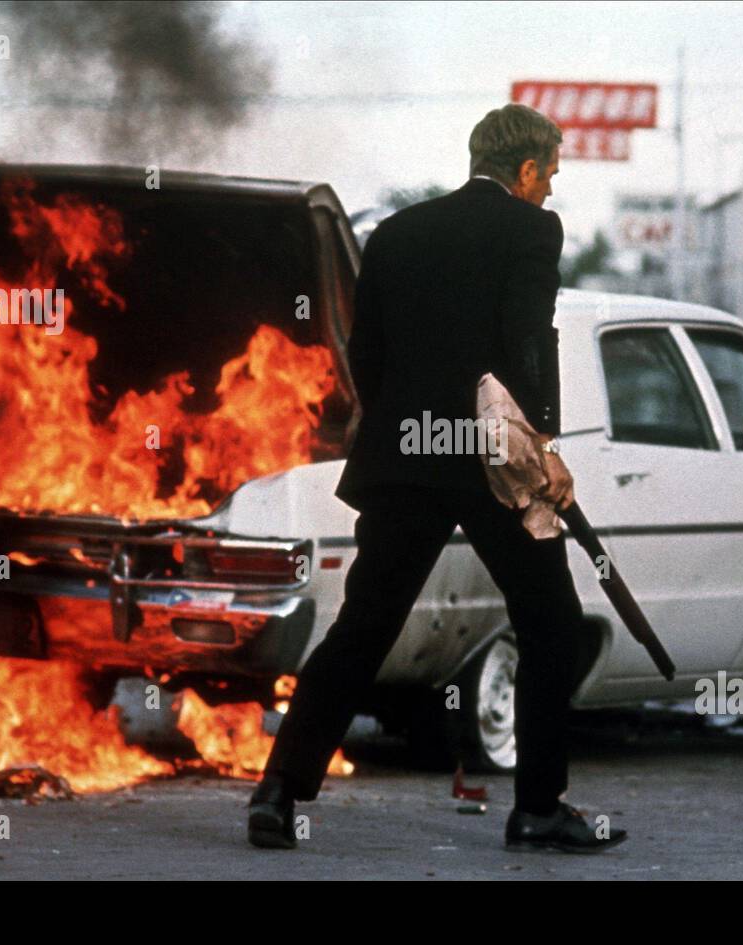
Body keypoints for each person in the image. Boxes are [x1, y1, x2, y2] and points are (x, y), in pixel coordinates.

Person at [247, 103, 626, 854]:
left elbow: (366, 354)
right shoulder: (530, 230)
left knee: (363, 627)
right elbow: (524, 344)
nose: (550, 188)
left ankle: (279, 792)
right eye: (549, 172)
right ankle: (538, 810)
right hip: (491, 463)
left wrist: (399, 425)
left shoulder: (396, 233)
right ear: (523, 171)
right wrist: (543, 447)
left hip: (405, 454)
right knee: (551, 625)